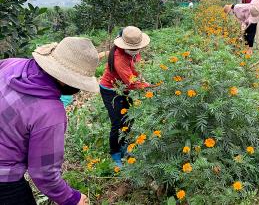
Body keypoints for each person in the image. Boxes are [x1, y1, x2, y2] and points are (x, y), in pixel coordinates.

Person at [0, 37, 99, 205]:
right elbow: (44, 174)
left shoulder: (11, 64)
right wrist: (73, 199)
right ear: (65, 79)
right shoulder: (50, 113)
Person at [100, 26, 150, 167]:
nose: (136, 51)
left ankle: (125, 146)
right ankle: (115, 154)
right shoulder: (119, 58)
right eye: (132, 49)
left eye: (137, 48)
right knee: (117, 123)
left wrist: (143, 78)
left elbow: (136, 69)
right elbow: (131, 82)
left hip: (124, 88)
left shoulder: (134, 51)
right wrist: (149, 86)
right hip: (111, 90)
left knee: (129, 118)